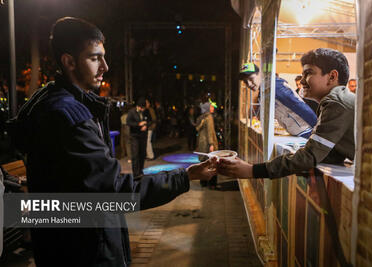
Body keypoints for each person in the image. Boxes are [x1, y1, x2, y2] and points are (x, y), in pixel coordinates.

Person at [7, 17, 216, 267]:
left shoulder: (51, 103)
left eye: (103, 57)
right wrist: (186, 176)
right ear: (69, 61)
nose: (105, 66)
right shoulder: (70, 117)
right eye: (95, 58)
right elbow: (114, 192)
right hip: (86, 250)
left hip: (61, 244)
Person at [219, 48, 355, 179]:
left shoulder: (336, 103)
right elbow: (331, 155)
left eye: (308, 73)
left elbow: (310, 155)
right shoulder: (335, 101)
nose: (301, 81)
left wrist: (252, 170)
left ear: (332, 76)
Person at [240, 63, 317, 138]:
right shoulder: (265, 89)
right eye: (245, 82)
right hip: (297, 132)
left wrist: (317, 128)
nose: (249, 84)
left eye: (251, 79)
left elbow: (299, 105)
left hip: (305, 131)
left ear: (259, 74)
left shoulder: (275, 87)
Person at [196, 101, 219, 189]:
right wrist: (211, 144)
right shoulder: (209, 117)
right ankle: (212, 184)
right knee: (212, 164)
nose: (213, 108)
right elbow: (210, 131)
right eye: (211, 107)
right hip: (207, 144)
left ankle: (203, 182)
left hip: (202, 143)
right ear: (207, 108)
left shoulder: (202, 117)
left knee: (203, 163)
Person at [127, 97, 149, 176]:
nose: (143, 110)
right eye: (143, 108)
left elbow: (148, 120)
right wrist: (139, 125)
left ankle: (141, 170)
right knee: (135, 155)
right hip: (135, 136)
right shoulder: (131, 112)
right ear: (139, 106)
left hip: (143, 136)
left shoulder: (145, 112)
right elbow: (128, 122)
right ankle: (136, 173)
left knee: (142, 154)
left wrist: (146, 125)